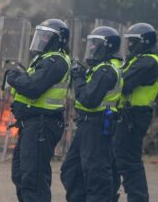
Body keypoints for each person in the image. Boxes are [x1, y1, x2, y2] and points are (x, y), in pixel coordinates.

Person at [6, 19, 71, 202]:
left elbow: (34, 86)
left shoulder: (56, 61)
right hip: (32, 124)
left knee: (33, 179)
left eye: (46, 36)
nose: (41, 40)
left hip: (42, 124)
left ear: (58, 40)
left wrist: (14, 78)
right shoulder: (43, 59)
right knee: (20, 174)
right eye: (40, 35)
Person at [60, 26, 123, 202]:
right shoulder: (100, 68)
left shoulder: (107, 70)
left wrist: (78, 76)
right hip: (87, 124)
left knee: (96, 174)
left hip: (98, 125)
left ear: (108, 46)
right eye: (91, 44)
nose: (92, 49)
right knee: (71, 170)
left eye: (96, 45)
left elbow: (89, 98)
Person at [113, 23, 158, 202]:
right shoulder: (139, 59)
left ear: (144, 42)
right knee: (118, 158)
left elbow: (124, 83)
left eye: (133, 41)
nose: (129, 45)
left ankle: (138, 198)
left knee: (129, 161)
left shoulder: (149, 61)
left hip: (135, 115)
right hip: (127, 114)